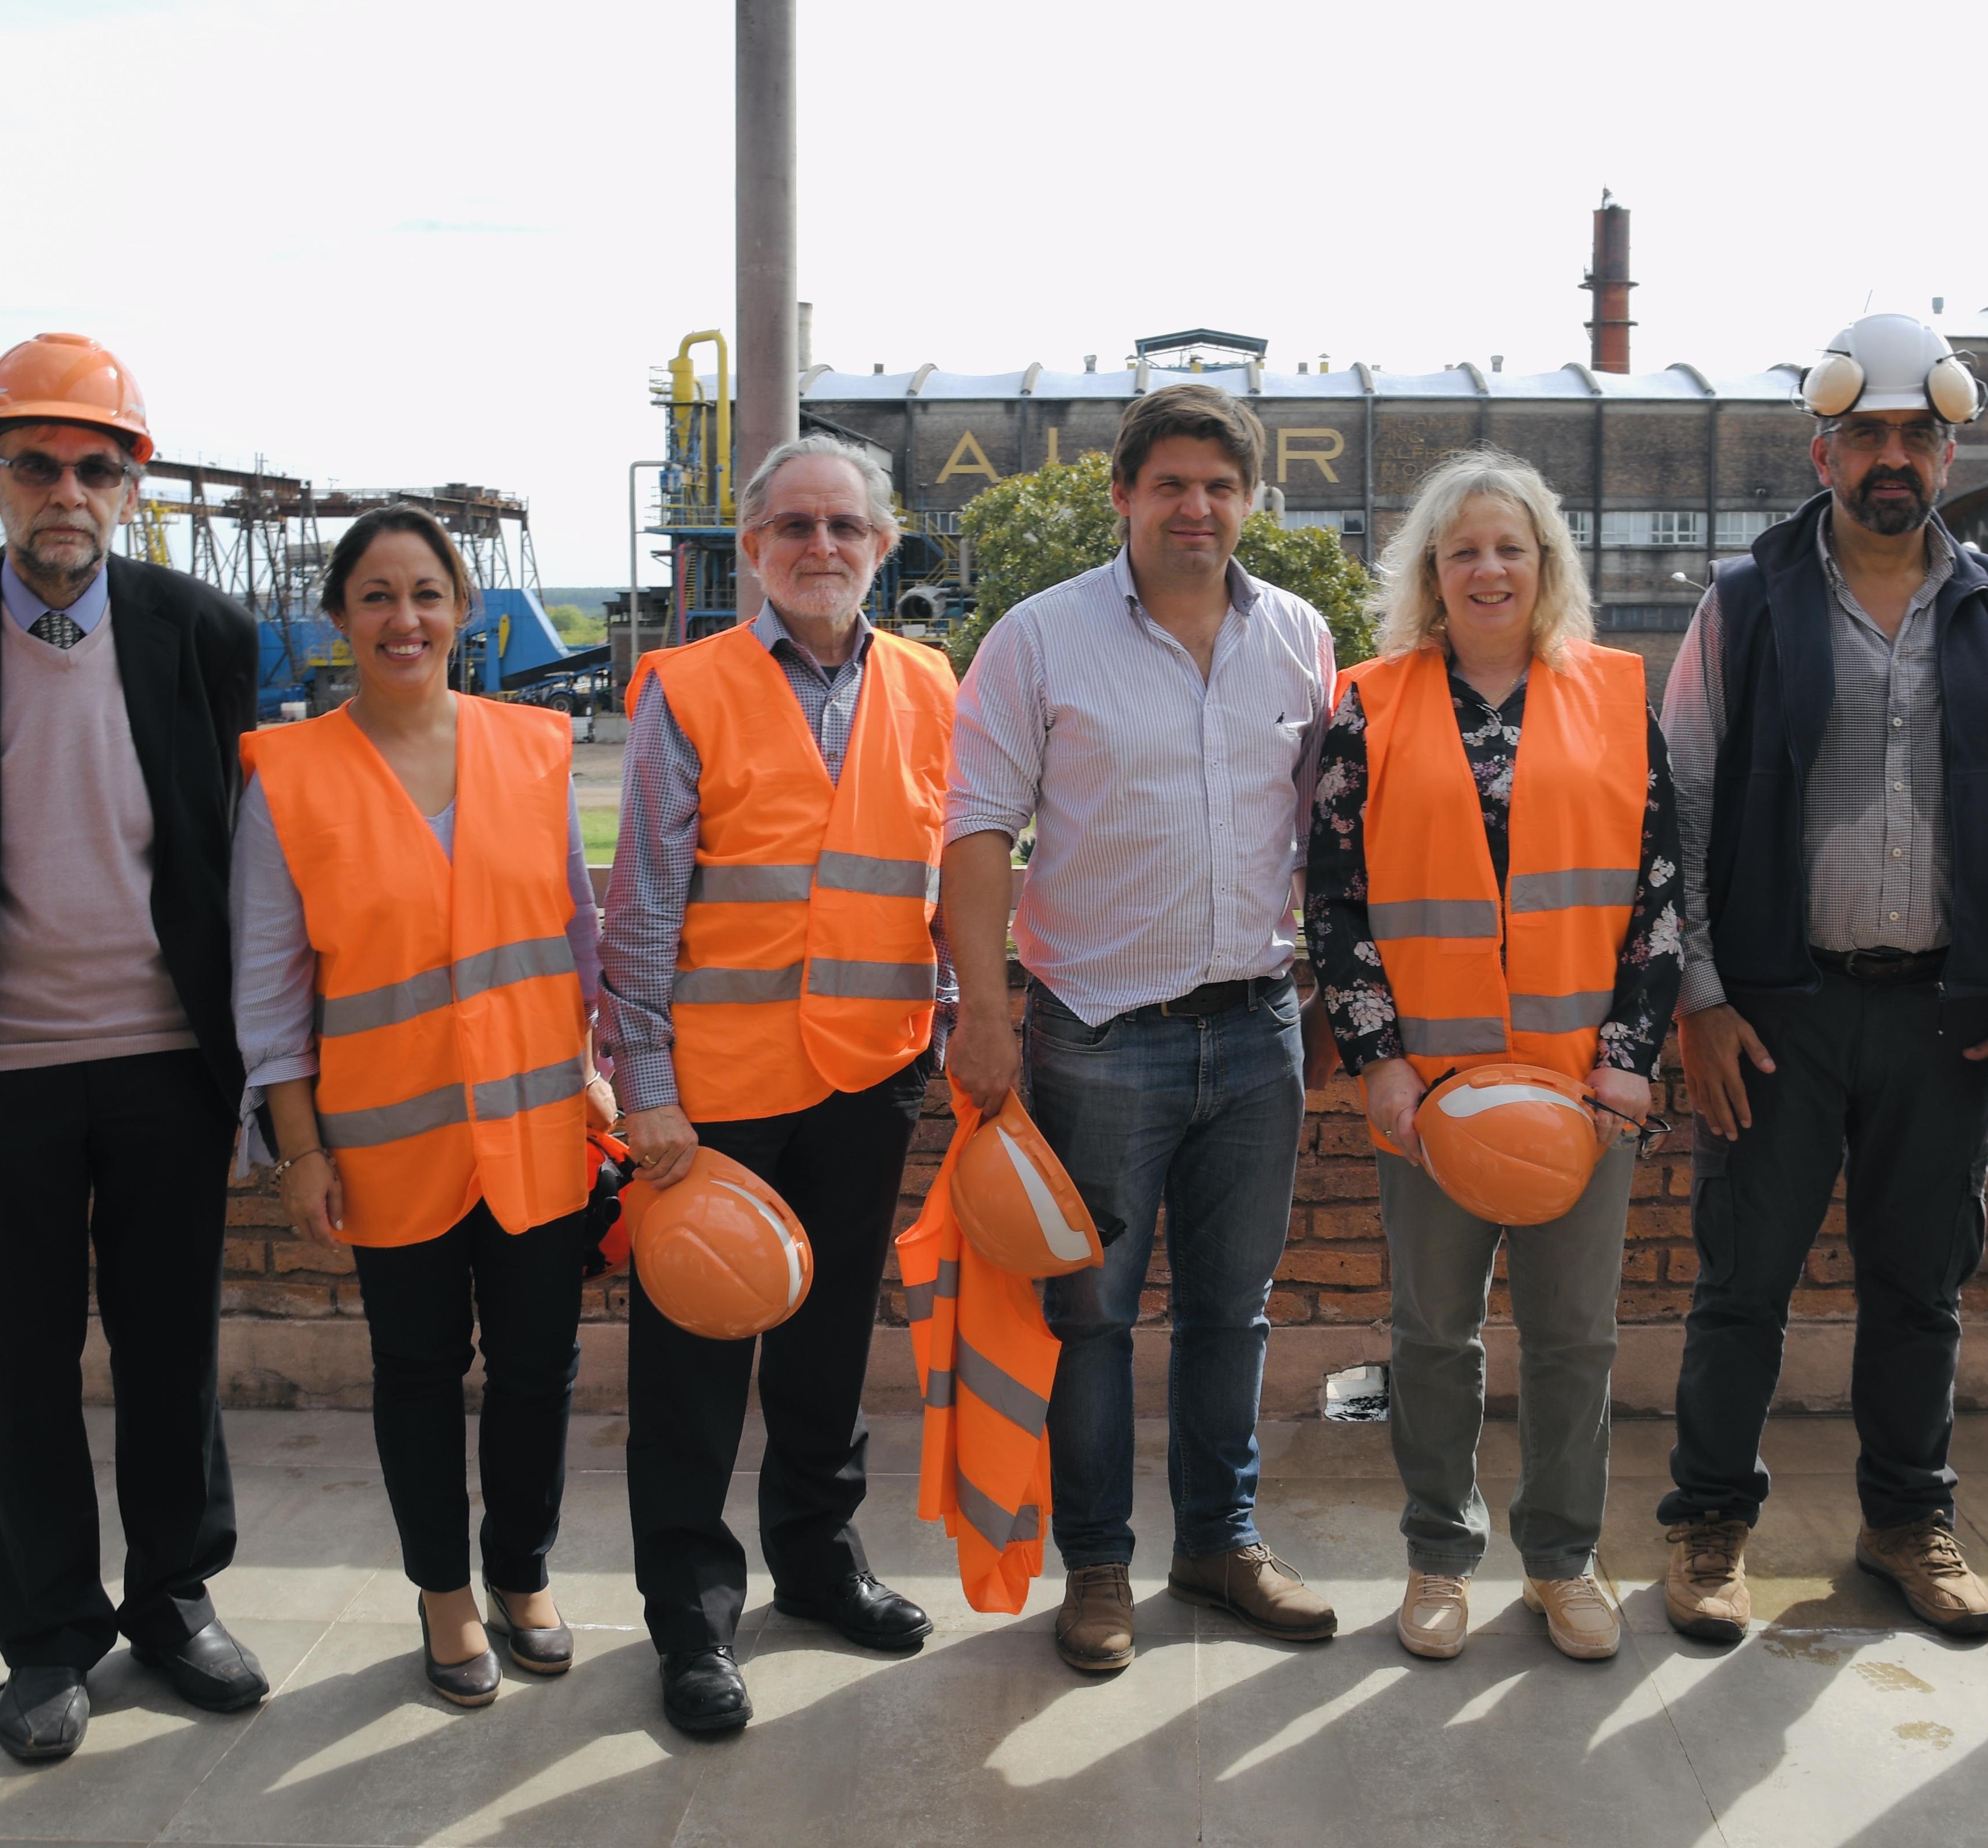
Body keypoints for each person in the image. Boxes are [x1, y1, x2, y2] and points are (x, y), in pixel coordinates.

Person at [0, 334, 264, 1761]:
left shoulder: (200, 633)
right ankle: (44, 1637)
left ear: (132, 483)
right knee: (21, 1367)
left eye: (95, 464)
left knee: (168, 1353)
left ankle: (173, 1597)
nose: (64, 489)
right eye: (34, 463)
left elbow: (218, 851)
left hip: (164, 1063)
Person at [1656, 313, 1988, 1648]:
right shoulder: (1744, 602)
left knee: (1918, 1286)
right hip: (1774, 1014)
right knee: (1743, 1284)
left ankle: (1906, 1520)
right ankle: (1710, 1523)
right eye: (1866, 437)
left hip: (1947, 1012)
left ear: (1951, 452)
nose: (1891, 458)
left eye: (1917, 435)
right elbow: (1680, 808)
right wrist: (1701, 996)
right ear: (1821, 449)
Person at [945, 382, 1341, 1673]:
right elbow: (977, 832)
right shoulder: (1040, 639)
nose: (1196, 507)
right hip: (1099, 1036)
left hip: (1256, 1031)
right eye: (1170, 483)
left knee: (1235, 1311)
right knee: (1094, 1320)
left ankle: (1220, 1545)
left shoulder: (1296, 636)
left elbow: (1329, 834)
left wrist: (1328, 994)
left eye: (1220, 486)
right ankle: (1100, 1567)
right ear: (1122, 496)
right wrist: (987, 1012)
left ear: (1247, 501)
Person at [600, 434, 956, 1735]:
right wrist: (643, 1090)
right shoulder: (685, 689)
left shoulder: (929, 684)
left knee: (825, 1350)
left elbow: (939, 878)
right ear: (751, 549)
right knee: (691, 1362)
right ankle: (690, 1615)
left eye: (844, 526)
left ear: (883, 543)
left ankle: (816, 1562)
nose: (820, 547)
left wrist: (945, 1032)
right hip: (717, 1088)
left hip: (869, 1077)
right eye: (793, 526)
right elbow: (640, 907)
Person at [1303, 450, 1681, 1662]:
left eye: (1509, 548)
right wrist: (1378, 1058)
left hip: (1581, 1091)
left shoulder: (1620, 694)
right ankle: (1436, 1554)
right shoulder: (1368, 703)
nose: (1486, 569)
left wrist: (1631, 1053)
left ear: (1545, 565)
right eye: (1462, 549)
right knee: (1432, 1335)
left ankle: (1563, 1562)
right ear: (1431, 568)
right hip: (1437, 1099)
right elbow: (1335, 899)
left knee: (1574, 1336)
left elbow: (1661, 892)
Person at [234, 505, 608, 1709]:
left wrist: (596, 1063)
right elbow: (270, 984)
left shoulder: (535, 747)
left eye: (428, 593)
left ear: (466, 611)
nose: (406, 619)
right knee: (416, 1372)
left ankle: (522, 1573)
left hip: (540, 1127)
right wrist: (298, 1149)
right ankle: (444, 1596)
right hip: (385, 1141)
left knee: (539, 1368)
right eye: (378, 596)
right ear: (339, 617)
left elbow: (576, 936)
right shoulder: (285, 775)